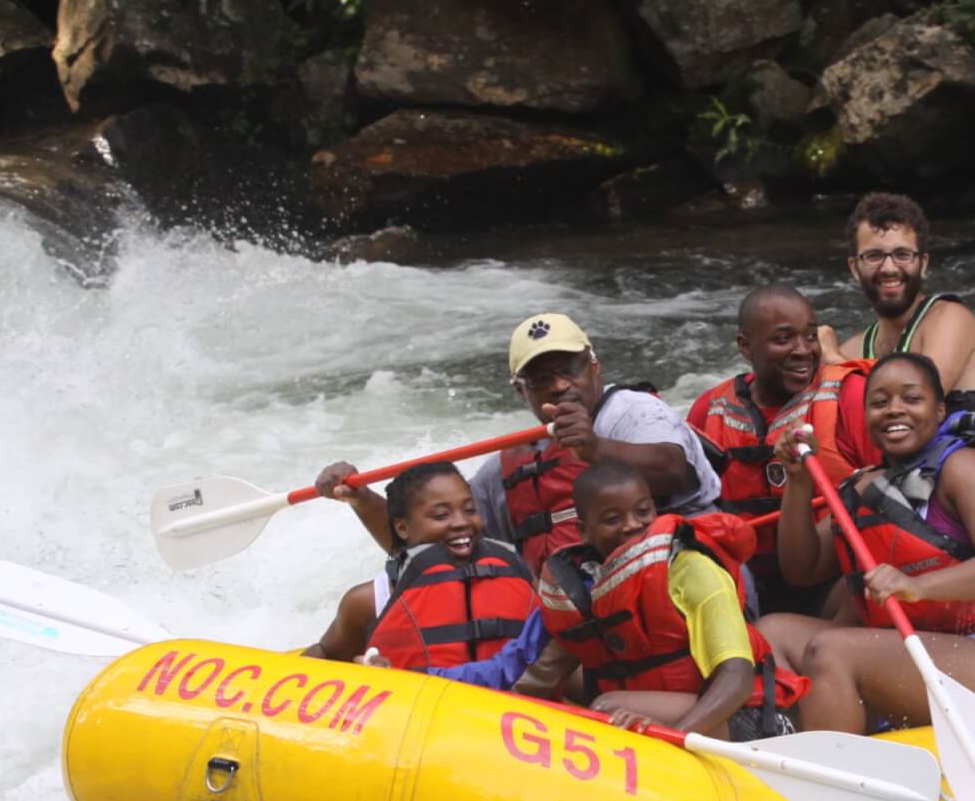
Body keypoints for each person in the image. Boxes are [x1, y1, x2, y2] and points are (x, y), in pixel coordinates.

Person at [764, 351, 975, 734]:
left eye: (911, 398)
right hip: (909, 648)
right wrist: (798, 483)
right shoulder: (862, 486)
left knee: (832, 650)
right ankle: (811, 735)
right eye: (880, 402)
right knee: (772, 632)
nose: (894, 409)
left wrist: (915, 586)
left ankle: (836, 759)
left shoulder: (964, 467)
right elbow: (802, 569)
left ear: (939, 411)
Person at [316, 312, 720, 573]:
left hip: (685, 581)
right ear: (519, 391)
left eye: (571, 368)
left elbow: (676, 473)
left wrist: (595, 449)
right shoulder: (511, 466)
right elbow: (429, 541)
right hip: (581, 612)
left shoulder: (634, 412)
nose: (559, 385)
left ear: (595, 365)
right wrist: (361, 499)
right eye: (541, 378)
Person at [516, 460, 808, 739]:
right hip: (668, 710)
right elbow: (538, 678)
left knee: (608, 707)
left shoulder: (691, 567)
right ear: (583, 532)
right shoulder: (587, 587)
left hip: (753, 718)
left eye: (643, 511)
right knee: (574, 689)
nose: (632, 525)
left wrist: (673, 736)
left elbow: (738, 676)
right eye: (612, 519)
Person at [304, 460, 538, 675]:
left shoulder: (522, 579)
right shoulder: (368, 602)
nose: (462, 522)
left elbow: (552, 663)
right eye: (441, 515)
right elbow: (323, 662)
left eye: (470, 510)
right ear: (402, 529)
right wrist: (366, 677)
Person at [685, 284, 830, 615]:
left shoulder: (847, 398)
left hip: (828, 575)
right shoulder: (708, 409)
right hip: (742, 579)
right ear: (746, 347)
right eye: (783, 339)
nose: (803, 350)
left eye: (810, 336)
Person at [820, 192, 975, 427]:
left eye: (902, 255)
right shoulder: (851, 351)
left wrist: (835, 363)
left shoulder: (951, 319)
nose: (889, 268)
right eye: (874, 256)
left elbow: (916, 402)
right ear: (854, 267)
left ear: (923, 263)